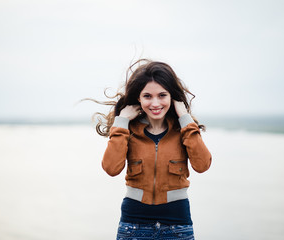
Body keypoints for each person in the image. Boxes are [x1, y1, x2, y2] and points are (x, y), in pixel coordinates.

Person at [91, 59, 212, 239]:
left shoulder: (185, 131)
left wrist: (185, 117)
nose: (155, 103)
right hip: (133, 223)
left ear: (172, 97)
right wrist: (122, 121)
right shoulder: (127, 131)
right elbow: (111, 168)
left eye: (162, 95)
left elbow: (202, 165)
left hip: (177, 224)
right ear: (138, 98)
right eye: (147, 96)